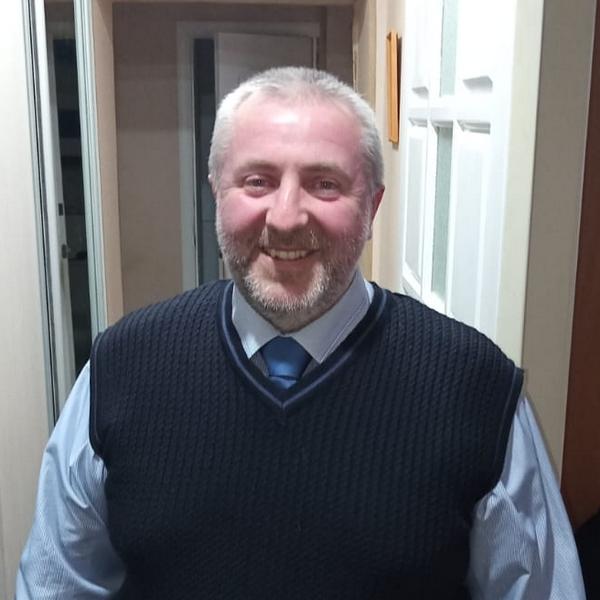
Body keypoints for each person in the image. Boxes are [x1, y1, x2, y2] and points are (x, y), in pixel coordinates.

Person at [16, 67, 584, 599]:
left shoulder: (476, 389)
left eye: (325, 184)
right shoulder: (121, 369)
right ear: (217, 193)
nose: (286, 217)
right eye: (257, 181)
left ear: (372, 206)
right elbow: (55, 584)